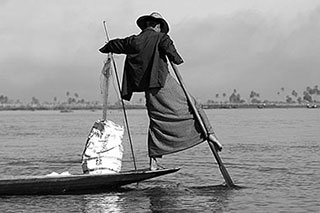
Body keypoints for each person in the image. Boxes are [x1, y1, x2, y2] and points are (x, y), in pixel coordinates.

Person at [99, 12, 222, 170]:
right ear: (157, 25)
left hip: (150, 89)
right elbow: (175, 56)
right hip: (163, 82)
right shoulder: (161, 37)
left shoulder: (133, 40)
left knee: (156, 121)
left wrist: (107, 45)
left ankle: (153, 164)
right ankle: (210, 134)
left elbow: (116, 44)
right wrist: (174, 56)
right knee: (193, 105)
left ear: (146, 25)